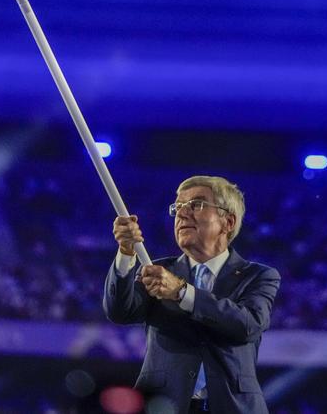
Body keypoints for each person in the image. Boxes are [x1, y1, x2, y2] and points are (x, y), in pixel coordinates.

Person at [105, 175, 280, 414]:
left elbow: (248, 325)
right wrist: (126, 253)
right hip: (163, 405)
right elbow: (120, 312)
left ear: (228, 222)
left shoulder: (259, 276)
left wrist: (181, 292)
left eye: (196, 205)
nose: (182, 214)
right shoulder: (158, 270)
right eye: (178, 207)